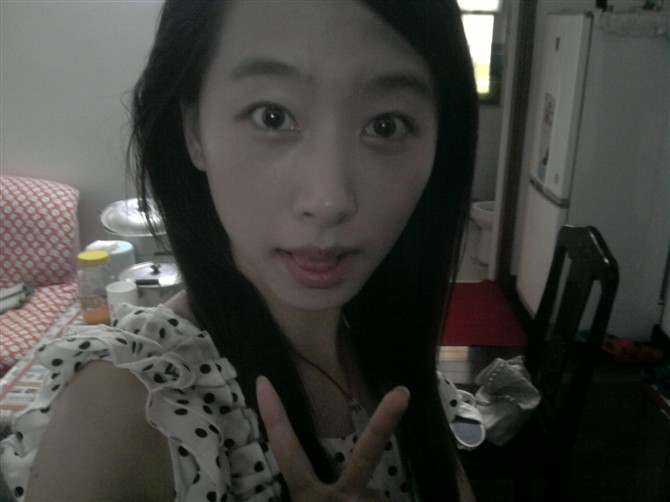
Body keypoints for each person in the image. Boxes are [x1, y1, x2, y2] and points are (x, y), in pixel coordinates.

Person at [0, 0, 479, 500]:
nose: (329, 201)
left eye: (385, 125)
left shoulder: (392, 351)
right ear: (194, 131)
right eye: (273, 116)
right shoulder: (128, 406)